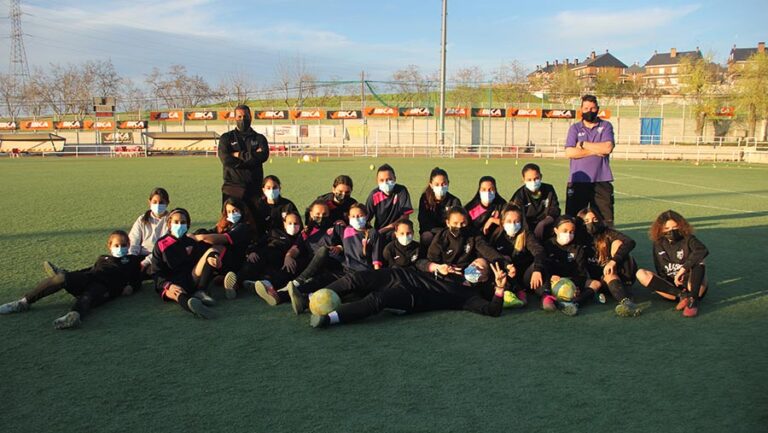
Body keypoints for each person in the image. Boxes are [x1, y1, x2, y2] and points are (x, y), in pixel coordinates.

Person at [0, 230, 142, 329]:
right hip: (88, 277)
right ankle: (24, 302)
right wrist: (70, 275)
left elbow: (137, 278)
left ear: (129, 245)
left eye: (124, 245)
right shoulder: (102, 258)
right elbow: (90, 270)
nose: (120, 248)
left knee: (89, 296)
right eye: (117, 245)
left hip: (105, 288)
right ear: (109, 246)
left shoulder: (131, 260)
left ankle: (73, 316)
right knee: (62, 278)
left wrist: (132, 287)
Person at [306, 258, 507, 328]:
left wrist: (499, 288)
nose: (473, 268)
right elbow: (419, 262)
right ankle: (311, 297)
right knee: (358, 279)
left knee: (377, 300)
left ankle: (330, 319)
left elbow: (492, 310)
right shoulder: (452, 269)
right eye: (473, 264)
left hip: (411, 296)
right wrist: (435, 266)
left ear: (483, 278)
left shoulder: (468, 297)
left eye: (479, 269)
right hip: (401, 275)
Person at [284, 204, 383, 313]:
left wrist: (377, 280)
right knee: (324, 280)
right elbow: (331, 233)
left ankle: (306, 300)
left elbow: (376, 262)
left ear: (367, 216)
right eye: (353, 216)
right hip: (345, 271)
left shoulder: (373, 233)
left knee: (340, 290)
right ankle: (288, 293)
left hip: (362, 275)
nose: (357, 219)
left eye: (360, 216)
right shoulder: (345, 229)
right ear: (348, 218)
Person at [635, 210, 709, 317]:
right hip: (672, 289)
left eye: (675, 227)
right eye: (667, 229)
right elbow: (660, 270)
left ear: (681, 226)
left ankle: (692, 301)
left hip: (692, 285)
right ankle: (683, 296)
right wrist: (672, 286)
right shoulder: (658, 243)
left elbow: (702, 250)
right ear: (660, 229)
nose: (671, 231)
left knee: (700, 260)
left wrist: (683, 270)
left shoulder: (688, 239)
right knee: (640, 273)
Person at [150, 208, 221, 319]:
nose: (179, 225)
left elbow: (201, 261)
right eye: (176, 222)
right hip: (171, 283)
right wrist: (168, 285)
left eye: (183, 222)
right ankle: (193, 306)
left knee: (211, 253)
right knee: (174, 293)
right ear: (169, 224)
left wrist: (215, 257)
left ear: (188, 225)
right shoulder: (160, 244)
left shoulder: (191, 242)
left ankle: (200, 292)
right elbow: (155, 271)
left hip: (190, 279)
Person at [576, 208, 641, 317]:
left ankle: (627, 302)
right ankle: (575, 304)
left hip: (618, 273)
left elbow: (630, 242)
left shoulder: (606, 232)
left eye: (595, 219)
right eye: (586, 221)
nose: (591, 223)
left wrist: (613, 261)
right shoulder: (579, 238)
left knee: (617, 243)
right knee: (593, 282)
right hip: (598, 279)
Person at [564, 95, 616, 227]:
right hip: (578, 181)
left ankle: (604, 247)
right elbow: (570, 152)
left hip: (601, 180)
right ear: (581, 109)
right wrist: (596, 150)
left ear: (598, 109)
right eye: (586, 108)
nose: (589, 111)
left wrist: (582, 144)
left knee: (605, 221)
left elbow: (607, 147)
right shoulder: (575, 128)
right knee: (573, 220)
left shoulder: (606, 126)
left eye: (593, 108)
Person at [194, 198, 259, 300]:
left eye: (235, 211)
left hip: (237, 261)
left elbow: (224, 238)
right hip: (224, 261)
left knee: (217, 248)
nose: (232, 214)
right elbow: (211, 232)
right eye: (229, 212)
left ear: (242, 211)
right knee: (205, 243)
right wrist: (196, 235)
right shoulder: (225, 225)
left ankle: (202, 288)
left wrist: (201, 237)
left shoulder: (243, 227)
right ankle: (206, 282)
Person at [488, 204, 546, 308]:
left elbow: (539, 251)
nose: (513, 225)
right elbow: (490, 255)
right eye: (509, 221)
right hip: (507, 276)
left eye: (517, 221)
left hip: (525, 277)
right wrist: (507, 266)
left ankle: (546, 295)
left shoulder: (526, 235)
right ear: (502, 222)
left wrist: (537, 269)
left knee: (539, 265)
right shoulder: (497, 235)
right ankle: (510, 293)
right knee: (502, 260)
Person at [218, 104, 270, 215]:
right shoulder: (226, 138)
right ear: (235, 118)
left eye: (245, 116)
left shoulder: (259, 138)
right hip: (232, 188)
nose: (243, 119)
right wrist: (252, 157)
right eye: (239, 117)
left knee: (256, 222)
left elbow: (263, 156)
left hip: (254, 188)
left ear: (250, 117)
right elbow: (226, 160)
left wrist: (238, 155)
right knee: (230, 223)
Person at [542, 216, 589, 316]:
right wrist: (551, 277)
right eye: (565, 231)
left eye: (571, 232)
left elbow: (581, 272)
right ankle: (547, 297)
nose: (568, 234)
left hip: (570, 281)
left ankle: (575, 302)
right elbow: (545, 266)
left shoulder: (578, 248)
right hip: (552, 281)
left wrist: (575, 285)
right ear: (556, 230)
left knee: (595, 284)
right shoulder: (548, 245)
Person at [510, 163, 560, 241]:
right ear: (523, 180)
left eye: (536, 178)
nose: (533, 182)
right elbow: (517, 216)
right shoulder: (519, 195)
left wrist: (543, 223)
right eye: (529, 180)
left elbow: (555, 210)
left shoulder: (549, 189)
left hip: (546, 225)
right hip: (526, 229)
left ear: (541, 177)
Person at [128, 187, 170, 275]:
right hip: (140, 256)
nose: (158, 205)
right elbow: (133, 241)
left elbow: (165, 247)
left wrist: (146, 262)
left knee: (157, 269)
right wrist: (132, 259)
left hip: (158, 257)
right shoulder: (142, 219)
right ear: (149, 202)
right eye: (155, 202)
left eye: (161, 202)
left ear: (167, 203)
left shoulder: (171, 221)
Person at [417, 167, 461, 251]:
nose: (440, 187)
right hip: (431, 232)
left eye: (443, 184)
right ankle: (426, 258)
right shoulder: (425, 199)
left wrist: (447, 233)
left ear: (448, 183)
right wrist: (440, 233)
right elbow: (423, 222)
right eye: (437, 184)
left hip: (450, 233)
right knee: (426, 236)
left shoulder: (455, 201)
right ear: (431, 185)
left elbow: (457, 224)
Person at [365, 164, 413, 235]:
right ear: (377, 181)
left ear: (395, 179)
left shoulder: (401, 191)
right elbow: (365, 218)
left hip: (397, 231)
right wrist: (372, 233)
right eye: (382, 180)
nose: (385, 183)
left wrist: (384, 230)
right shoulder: (374, 195)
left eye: (389, 179)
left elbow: (405, 217)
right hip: (379, 232)